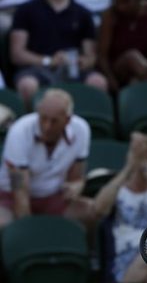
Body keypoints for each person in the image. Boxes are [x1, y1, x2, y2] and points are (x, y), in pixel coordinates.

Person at [9, 0, 108, 110]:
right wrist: (48, 61)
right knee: (27, 85)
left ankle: (92, 125)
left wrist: (82, 62)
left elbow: (91, 55)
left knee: (98, 82)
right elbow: (17, 54)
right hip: (37, 70)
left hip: (73, 71)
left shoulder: (83, 13)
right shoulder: (26, 11)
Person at [0, 89, 93, 229]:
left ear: (67, 120)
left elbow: (76, 177)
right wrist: (28, 230)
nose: (47, 126)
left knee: (91, 211)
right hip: (11, 195)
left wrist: (77, 185)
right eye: (43, 118)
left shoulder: (81, 130)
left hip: (53, 196)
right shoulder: (19, 131)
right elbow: (19, 190)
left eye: (54, 121)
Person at [93, 131, 147, 283]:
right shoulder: (119, 189)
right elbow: (99, 208)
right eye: (142, 155)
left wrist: (146, 167)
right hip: (126, 254)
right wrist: (129, 167)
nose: (145, 159)